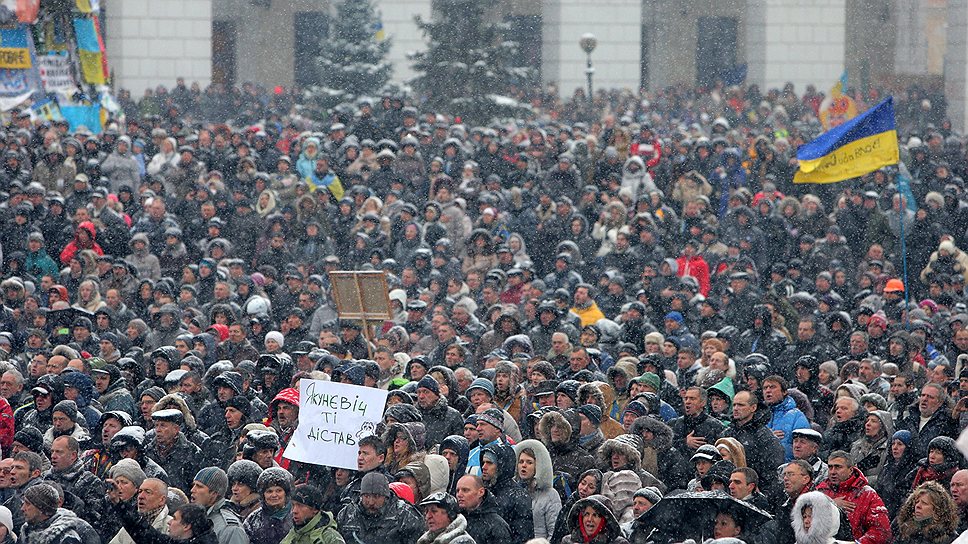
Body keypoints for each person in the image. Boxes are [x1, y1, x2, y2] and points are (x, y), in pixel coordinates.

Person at [815, 450, 892, 544]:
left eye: (838, 467)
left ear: (851, 470)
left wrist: (856, 543)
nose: (833, 472)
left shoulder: (867, 494)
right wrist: (831, 504)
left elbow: (881, 531)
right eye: (830, 467)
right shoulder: (820, 492)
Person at [336, 472, 425, 544]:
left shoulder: (406, 516)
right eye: (366, 496)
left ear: (386, 497)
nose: (371, 502)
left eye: (376, 496)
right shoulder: (346, 515)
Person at [513, 439, 561, 539]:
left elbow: (554, 532)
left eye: (529, 462)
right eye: (521, 462)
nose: (524, 465)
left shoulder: (550, 495)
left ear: (538, 466)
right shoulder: (513, 492)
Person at [190, 467, 248, 544]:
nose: (192, 490)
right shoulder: (195, 517)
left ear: (214, 494)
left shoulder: (230, 529)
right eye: (193, 485)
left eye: (199, 486)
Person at [891, 481, 960, 544]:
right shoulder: (905, 531)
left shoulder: (950, 539)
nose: (917, 506)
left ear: (937, 510)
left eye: (924, 503)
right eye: (916, 502)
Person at [455, 474, 511, 544]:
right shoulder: (455, 519)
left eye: (465, 490)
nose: (459, 494)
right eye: (457, 491)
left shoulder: (497, 526)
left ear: (481, 492)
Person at [242, 467, 293, 544]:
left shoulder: (296, 516)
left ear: (286, 493)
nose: (274, 495)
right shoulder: (253, 519)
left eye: (278, 491)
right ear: (263, 494)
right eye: (269, 491)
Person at [559, 494, 629, 544]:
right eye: (586, 514)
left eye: (595, 515)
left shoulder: (619, 542)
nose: (590, 519)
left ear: (605, 520)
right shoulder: (568, 541)